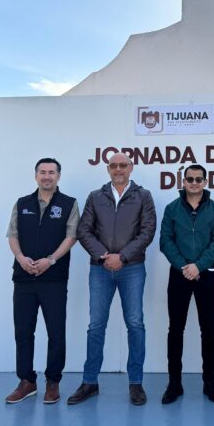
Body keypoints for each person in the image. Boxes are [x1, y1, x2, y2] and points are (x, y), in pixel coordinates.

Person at [68, 152, 156, 406]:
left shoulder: (143, 196)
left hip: (132, 268)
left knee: (135, 324)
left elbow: (148, 231)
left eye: (123, 165)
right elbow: (84, 229)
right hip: (100, 268)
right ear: (108, 169)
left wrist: (123, 257)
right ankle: (89, 382)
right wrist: (103, 255)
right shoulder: (96, 196)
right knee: (96, 325)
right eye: (114, 165)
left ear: (131, 168)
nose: (118, 169)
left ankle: (136, 383)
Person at [5, 158, 79, 405]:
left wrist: (51, 260)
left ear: (59, 176)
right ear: (36, 175)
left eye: (51, 172)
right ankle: (26, 381)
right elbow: (12, 234)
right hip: (24, 278)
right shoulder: (22, 203)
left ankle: (53, 381)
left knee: (56, 332)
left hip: (54, 279)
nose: (47, 176)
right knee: (23, 332)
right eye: (42, 172)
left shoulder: (69, 204)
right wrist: (20, 257)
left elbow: (72, 237)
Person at [159, 164, 214, 404]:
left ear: (205, 182)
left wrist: (198, 266)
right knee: (175, 330)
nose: (194, 183)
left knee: (208, 329)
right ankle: (174, 383)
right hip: (179, 276)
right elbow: (165, 241)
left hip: (206, 275)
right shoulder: (172, 209)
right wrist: (184, 267)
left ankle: (210, 382)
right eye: (190, 179)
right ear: (184, 181)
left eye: (199, 179)